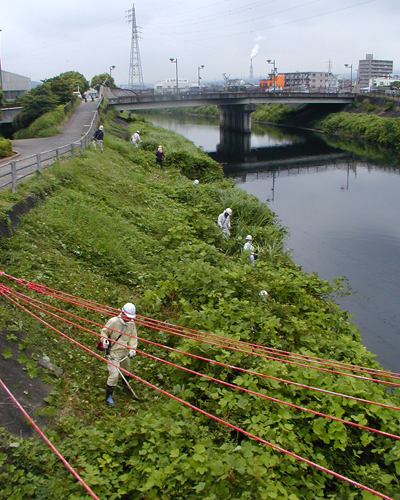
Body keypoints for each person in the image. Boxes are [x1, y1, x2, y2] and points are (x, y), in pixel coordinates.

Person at [101, 302, 138, 406]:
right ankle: (109, 395)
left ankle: (125, 382)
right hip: (113, 353)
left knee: (126, 367)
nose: (129, 319)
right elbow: (104, 332)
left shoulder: (131, 324)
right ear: (122, 313)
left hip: (124, 351)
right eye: (128, 317)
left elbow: (133, 337)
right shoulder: (113, 322)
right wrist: (104, 341)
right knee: (114, 374)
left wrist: (132, 349)